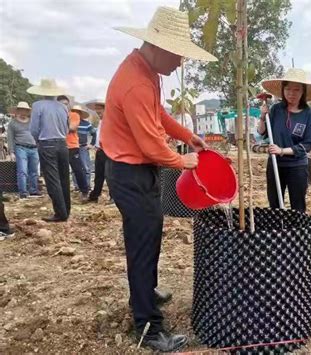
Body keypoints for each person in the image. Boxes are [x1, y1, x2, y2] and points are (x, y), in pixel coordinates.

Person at [100, 6, 216, 352]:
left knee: (148, 238)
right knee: (142, 244)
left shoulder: (146, 70)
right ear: (159, 46)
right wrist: (185, 161)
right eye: (179, 55)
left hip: (136, 170)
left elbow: (158, 115)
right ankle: (148, 328)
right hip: (130, 171)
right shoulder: (135, 82)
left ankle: (146, 293)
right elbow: (151, 145)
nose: (181, 63)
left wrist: (187, 134)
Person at [259, 68, 311, 212]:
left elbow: (307, 145)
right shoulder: (276, 109)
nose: (291, 93)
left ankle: (297, 233)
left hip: (297, 166)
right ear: (283, 90)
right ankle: (277, 232)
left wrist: (282, 150)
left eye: (296, 90)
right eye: (288, 89)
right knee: (274, 204)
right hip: (275, 164)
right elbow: (262, 132)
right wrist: (263, 116)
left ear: (303, 92)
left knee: (298, 205)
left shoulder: (309, 114)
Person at [28, 79, 71, 223]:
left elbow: (34, 128)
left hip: (47, 143)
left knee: (52, 179)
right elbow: (66, 128)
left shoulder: (38, 106)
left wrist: (37, 139)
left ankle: (60, 213)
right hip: (62, 143)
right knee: (64, 177)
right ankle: (66, 209)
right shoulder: (63, 107)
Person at [7, 102, 41, 198]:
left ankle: (33, 190)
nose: (23, 112)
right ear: (17, 111)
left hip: (34, 148)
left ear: (27, 111)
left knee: (34, 171)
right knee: (22, 170)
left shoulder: (32, 122)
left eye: (25, 110)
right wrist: (11, 152)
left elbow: (38, 133)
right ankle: (23, 192)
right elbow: (10, 138)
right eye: (21, 110)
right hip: (20, 147)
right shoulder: (12, 123)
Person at [57, 97, 89, 201]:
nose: (64, 106)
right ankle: (62, 193)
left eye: (66, 104)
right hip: (59, 145)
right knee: (61, 171)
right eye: (61, 104)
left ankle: (84, 191)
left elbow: (72, 128)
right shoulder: (55, 116)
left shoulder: (74, 115)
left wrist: (56, 127)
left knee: (78, 169)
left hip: (72, 146)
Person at [86, 100, 113, 204]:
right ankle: (95, 195)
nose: (98, 113)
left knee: (109, 175)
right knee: (98, 175)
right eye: (97, 111)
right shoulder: (101, 122)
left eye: (100, 110)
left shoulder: (111, 121)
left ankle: (113, 197)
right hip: (100, 150)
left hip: (108, 151)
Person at [77, 111, 97, 189]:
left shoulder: (86, 124)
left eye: (78, 113)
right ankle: (77, 186)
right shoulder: (69, 123)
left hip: (83, 147)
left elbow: (94, 133)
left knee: (86, 168)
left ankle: (87, 185)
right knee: (75, 168)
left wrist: (91, 144)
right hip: (72, 148)